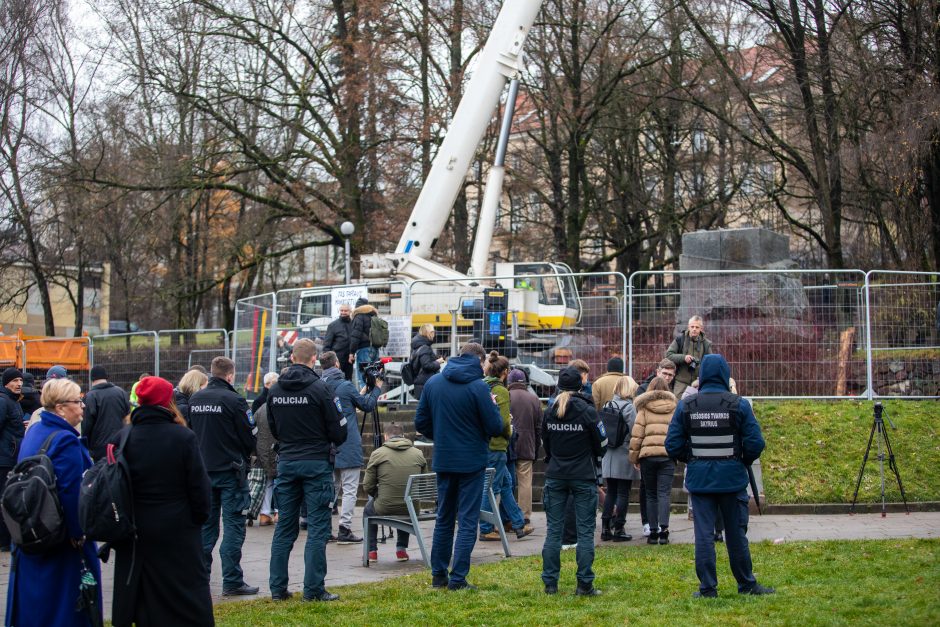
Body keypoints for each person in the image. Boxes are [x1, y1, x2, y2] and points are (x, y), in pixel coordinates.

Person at [665, 354, 775, 598]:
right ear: (725, 375)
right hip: (732, 479)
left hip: (700, 481)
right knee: (736, 534)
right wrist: (741, 460)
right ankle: (746, 584)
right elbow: (756, 443)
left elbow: (672, 445)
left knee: (703, 535)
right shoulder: (739, 404)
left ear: (701, 376)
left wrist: (693, 458)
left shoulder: (686, 405)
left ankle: (707, 588)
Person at [110, 376, 214, 627]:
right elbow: (199, 486)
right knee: (185, 590)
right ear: (168, 402)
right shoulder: (182, 437)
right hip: (177, 526)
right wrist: (198, 518)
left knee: (146, 592)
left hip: (137, 527)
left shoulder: (124, 437)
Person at [5, 378, 102, 627]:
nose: (82, 406)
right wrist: (79, 533)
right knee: (65, 607)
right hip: (59, 538)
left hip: (32, 530)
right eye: (77, 401)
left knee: (36, 606)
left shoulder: (35, 430)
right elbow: (71, 492)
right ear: (60, 407)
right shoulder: (66, 440)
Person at [414, 342, 503, 591]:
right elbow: (495, 427)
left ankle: (438, 574)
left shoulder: (433, 383)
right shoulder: (478, 388)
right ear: (480, 359)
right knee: (467, 521)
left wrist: (441, 436)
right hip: (472, 461)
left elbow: (421, 421)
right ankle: (458, 578)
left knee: (444, 518)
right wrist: (493, 408)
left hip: (444, 459)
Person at [267, 338, 347, 602]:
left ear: (291, 357)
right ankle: (313, 590)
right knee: (318, 527)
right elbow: (339, 429)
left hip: (287, 462)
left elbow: (273, 428)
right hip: (315, 463)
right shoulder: (320, 388)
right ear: (314, 359)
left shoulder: (276, 389)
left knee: (285, 528)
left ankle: (278, 589)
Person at [189, 356, 259, 597]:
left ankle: (200, 578)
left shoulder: (195, 399)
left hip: (203, 472)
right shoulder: (234, 400)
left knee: (206, 528)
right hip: (231, 472)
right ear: (230, 375)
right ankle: (232, 580)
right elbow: (250, 437)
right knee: (233, 526)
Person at [540, 366, 606, 597]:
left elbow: (545, 442)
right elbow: (602, 441)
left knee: (553, 532)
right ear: (581, 385)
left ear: (559, 385)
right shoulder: (587, 410)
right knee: (586, 532)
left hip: (556, 475)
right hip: (583, 475)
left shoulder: (550, 410)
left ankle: (550, 583)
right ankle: (584, 584)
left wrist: (554, 458)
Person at [319, 350, 382, 544]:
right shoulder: (345, 386)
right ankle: (345, 528)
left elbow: (348, 402)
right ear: (337, 364)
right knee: (349, 488)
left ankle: (325, 529)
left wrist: (360, 392)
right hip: (348, 443)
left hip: (327, 446)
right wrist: (377, 388)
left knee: (331, 488)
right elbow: (367, 406)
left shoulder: (320, 386)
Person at [479, 352, 534, 541]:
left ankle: (518, 523)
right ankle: (486, 528)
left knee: (505, 484)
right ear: (505, 372)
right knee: (492, 488)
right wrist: (510, 430)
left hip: (485, 444)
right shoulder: (501, 390)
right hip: (497, 446)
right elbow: (501, 423)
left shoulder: (482, 386)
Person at [362, 422, 428, 563]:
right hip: (411, 507)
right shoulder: (418, 454)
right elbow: (424, 485)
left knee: (368, 510)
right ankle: (401, 550)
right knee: (407, 501)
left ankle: (371, 551)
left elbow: (367, 486)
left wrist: (377, 495)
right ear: (403, 436)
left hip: (384, 506)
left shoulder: (378, 453)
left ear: (386, 436)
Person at [629, 376, 678, 545]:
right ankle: (664, 531)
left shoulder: (643, 408)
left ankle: (653, 532)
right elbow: (677, 434)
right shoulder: (674, 408)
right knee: (664, 493)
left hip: (648, 456)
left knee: (650, 494)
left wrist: (634, 457)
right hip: (667, 456)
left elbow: (637, 436)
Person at [600, 375, 639, 543]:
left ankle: (605, 528)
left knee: (611, 492)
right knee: (623, 492)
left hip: (609, 454)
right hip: (623, 452)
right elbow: (634, 432)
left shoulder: (607, 405)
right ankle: (619, 528)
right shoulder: (629, 408)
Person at [507, 368, 541, 523]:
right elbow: (539, 427)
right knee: (525, 480)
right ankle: (525, 515)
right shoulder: (534, 399)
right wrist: (536, 447)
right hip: (527, 444)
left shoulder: (505, 395)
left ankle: (506, 516)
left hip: (507, 444)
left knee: (505, 481)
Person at [82, 365, 131, 462]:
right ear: (106, 377)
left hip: (100, 449)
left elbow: (87, 425)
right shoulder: (121, 392)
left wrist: (85, 446)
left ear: (92, 379)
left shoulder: (90, 396)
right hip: (121, 444)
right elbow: (128, 417)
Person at [0, 368, 26, 552]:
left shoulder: (13, 401)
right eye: (15, 380)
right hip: (4, 459)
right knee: (4, 499)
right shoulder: (3, 401)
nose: (19, 384)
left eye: (20, 380)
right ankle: (3, 541)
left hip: (11, 457)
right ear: (6, 383)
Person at [252, 372, 279, 526]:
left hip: (262, 448)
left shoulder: (259, 405)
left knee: (267, 481)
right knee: (279, 481)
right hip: (276, 447)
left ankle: (265, 513)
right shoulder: (277, 403)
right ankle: (278, 512)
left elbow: (252, 426)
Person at [665, 315, 713, 396]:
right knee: (679, 404)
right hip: (681, 381)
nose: (694, 329)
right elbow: (669, 355)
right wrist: (683, 358)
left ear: (701, 328)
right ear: (688, 327)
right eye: (692, 326)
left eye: (697, 327)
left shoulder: (706, 344)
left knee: (697, 407)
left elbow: (711, 363)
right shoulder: (680, 339)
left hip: (698, 382)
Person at [349, 297, 379, 388]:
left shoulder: (359, 316)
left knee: (364, 378)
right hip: (375, 349)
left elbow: (355, 336)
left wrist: (352, 352)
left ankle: (364, 401)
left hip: (364, 350)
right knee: (373, 378)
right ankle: (372, 401)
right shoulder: (373, 316)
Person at [409, 323, 443, 400]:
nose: (434, 334)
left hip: (421, 382)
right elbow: (426, 365)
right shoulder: (425, 347)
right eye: (433, 332)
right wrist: (438, 362)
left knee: (423, 409)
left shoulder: (417, 346)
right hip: (426, 383)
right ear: (428, 333)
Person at [323, 303, 354, 381]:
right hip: (337, 358)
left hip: (349, 358)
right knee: (336, 380)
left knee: (348, 380)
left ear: (350, 311)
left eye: (345, 311)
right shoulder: (333, 325)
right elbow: (327, 344)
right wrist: (328, 360)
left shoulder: (353, 324)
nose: (343, 312)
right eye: (341, 310)